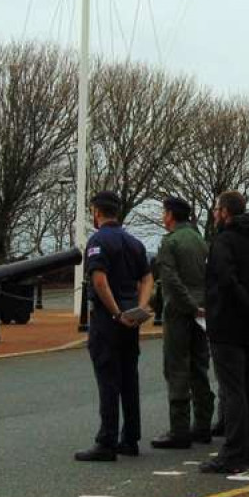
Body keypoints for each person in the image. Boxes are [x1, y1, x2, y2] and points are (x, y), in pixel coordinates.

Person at [75, 191, 153, 462]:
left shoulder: (97, 241)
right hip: (132, 320)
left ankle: (106, 441)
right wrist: (140, 308)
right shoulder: (134, 243)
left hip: (108, 322)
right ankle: (130, 438)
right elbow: (147, 277)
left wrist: (117, 313)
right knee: (129, 379)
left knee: (108, 381)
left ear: (97, 212)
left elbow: (99, 281)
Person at [200, 191, 249, 474]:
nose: (215, 213)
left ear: (225, 212)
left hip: (228, 323)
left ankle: (234, 452)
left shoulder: (223, 242)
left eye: (217, 209)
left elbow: (227, 281)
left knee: (233, 391)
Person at [151, 197, 215, 450]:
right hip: (202, 310)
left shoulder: (170, 242)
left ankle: (179, 430)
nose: (162, 217)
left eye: (164, 212)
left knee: (176, 367)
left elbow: (170, 280)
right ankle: (202, 425)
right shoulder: (200, 241)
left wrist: (189, 305)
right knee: (200, 366)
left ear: (170, 215)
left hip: (180, 310)